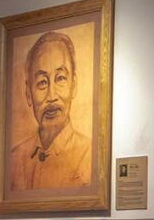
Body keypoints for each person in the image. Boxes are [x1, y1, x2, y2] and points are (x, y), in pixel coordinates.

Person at [9, 31, 92, 191]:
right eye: (42, 82)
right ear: (28, 93)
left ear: (73, 85)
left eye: (60, 78)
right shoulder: (15, 159)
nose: (51, 96)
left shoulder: (89, 155)